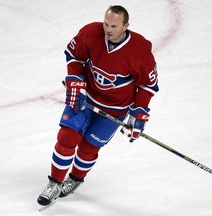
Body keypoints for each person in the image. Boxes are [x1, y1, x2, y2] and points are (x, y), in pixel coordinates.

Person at [37, 5, 159, 206]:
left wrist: (139, 112)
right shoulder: (91, 32)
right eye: (106, 24)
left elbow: (148, 85)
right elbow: (74, 55)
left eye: (113, 26)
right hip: (85, 98)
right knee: (67, 137)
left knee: (88, 147)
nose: (108, 29)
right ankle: (54, 183)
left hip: (115, 108)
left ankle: (75, 179)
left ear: (126, 26)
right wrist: (76, 78)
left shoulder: (139, 50)